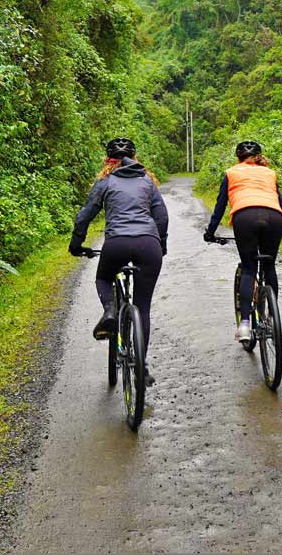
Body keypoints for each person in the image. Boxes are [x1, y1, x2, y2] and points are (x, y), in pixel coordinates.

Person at [70, 137, 168, 384]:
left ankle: (110, 310)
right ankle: (142, 365)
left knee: (103, 277)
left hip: (117, 243)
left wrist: (76, 244)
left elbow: (85, 215)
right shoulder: (147, 179)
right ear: (134, 159)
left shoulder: (105, 181)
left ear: (107, 161)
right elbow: (162, 216)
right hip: (149, 245)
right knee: (142, 306)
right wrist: (161, 244)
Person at [203, 140, 282, 342]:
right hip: (274, 217)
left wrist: (211, 232)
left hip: (245, 217)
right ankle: (270, 316)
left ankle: (245, 325)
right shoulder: (269, 173)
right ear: (259, 157)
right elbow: (280, 203)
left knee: (249, 269)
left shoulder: (231, 172)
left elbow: (220, 205)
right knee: (269, 267)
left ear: (238, 158)